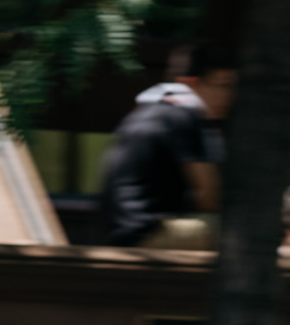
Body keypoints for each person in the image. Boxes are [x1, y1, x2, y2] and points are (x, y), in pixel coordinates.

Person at [99, 45, 236, 249]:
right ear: (191, 83)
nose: (230, 96)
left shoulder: (151, 110)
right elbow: (209, 197)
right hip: (149, 234)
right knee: (248, 230)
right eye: (223, 85)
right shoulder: (186, 113)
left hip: (120, 232)